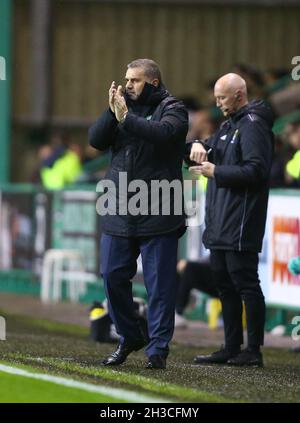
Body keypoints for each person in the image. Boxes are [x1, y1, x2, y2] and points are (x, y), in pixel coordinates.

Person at [88, 59, 188, 369]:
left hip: (159, 208)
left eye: (135, 80)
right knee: (112, 276)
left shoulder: (174, 108)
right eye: (127, 79)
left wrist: (125, 118)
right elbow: (95, 140)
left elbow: (163, 134)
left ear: (154, 83)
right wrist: (111, 112)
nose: (128, 85)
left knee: (159, 286)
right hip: (120, 207)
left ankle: (157, 350)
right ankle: (129, 335)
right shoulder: (120, 110)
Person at [188, 73, 274, 367]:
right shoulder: (228, 126)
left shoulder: (253, 126)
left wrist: (217, 173)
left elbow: (257, 171)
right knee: (224, 284)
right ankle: (231, 346)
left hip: (240, 221)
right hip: (221, 220)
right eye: (216, 98)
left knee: (246, 283)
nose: (218, 104)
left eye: (222, 98)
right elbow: (208, 150)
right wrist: (197, 146)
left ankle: (253, 350)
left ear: (239, 95)